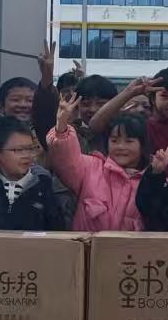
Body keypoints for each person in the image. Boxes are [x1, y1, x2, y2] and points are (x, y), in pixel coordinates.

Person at [45, 91, 148, 231]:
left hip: (131, 245)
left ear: (142, 145)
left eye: (129, 141)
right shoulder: (91, 167)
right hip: (87, 244)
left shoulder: (151, 179)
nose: (121, 147)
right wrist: (61, 126)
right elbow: (65, 157)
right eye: (114, 140)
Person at [88, 67, 168, 182]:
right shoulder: (139, 127)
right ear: (153, 98)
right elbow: (95, 125)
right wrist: (129, 93)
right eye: (165, 96)